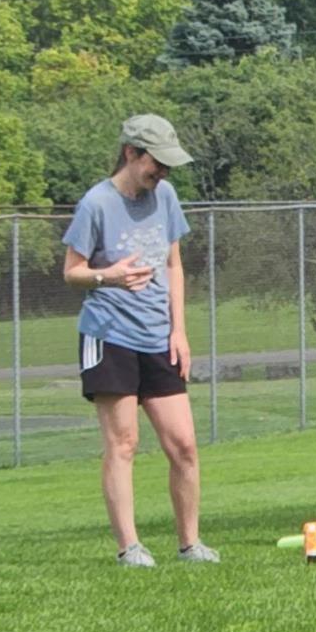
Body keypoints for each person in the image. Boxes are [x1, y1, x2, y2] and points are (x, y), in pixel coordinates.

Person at [62, 114, 219, 567]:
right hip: (109, 334)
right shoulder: (96, 203)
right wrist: (106, 276)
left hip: (158, 337)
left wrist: (180, 331)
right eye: (156, 164)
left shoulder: (165, 196)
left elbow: (173, 265)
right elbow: (71, 271)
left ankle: (190, 544)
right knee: (124, 442)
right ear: (131, 154)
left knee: (184, 445)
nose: (163, 173)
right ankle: (129, 547)